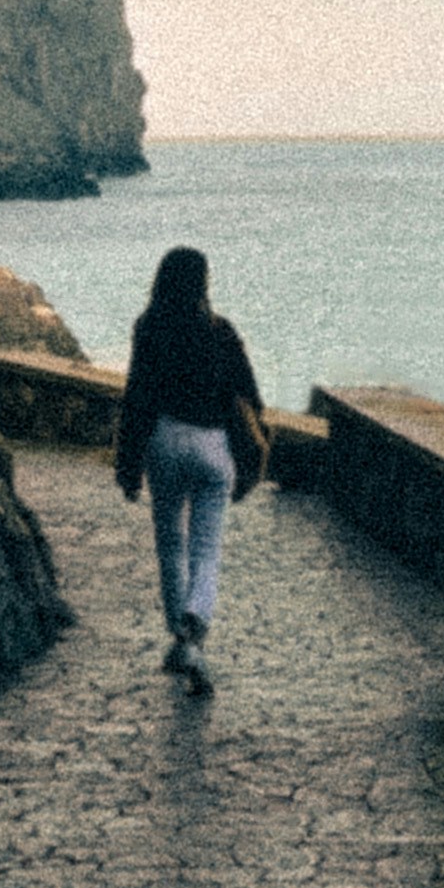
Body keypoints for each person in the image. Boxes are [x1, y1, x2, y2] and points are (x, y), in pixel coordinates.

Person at [114, 245, 265, 695]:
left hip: (163, 440)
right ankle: (195, 624)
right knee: (206, 547)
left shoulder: (149, 328)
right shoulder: (221, 333)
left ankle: (180, 635)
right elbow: (251, 396)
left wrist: (128, 464)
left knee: (169, 543)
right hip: (213, 446)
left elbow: (136, 397)